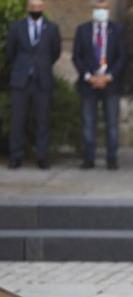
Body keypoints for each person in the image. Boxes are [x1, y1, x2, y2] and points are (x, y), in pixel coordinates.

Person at [5, 0, 61, 170]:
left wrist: (41, 66)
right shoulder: (17, 27)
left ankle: (42, 157)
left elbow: (55, 52)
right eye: (33, 7)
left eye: (39, 7)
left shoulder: (51, 28)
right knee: (18, 121)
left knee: (43, 121)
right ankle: (16, 156)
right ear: (28, 8)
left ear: (43, 8)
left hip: (42, 81)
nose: (36, 10)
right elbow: (10, 52)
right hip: (21, 81)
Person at [72, 0, 127, 170]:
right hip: (88, 84)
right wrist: (89, 76)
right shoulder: (83, 30)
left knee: (112, 124)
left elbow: (122, 57)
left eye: (103, 8)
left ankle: (112, 159)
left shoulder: (117, 30)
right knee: (89, 123)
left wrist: (108, 77)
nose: (100, 11)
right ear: (92, 9)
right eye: (97, 8)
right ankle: (89, 159)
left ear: (108, 10)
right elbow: (77, 57)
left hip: (110, 85)